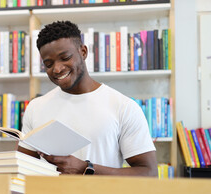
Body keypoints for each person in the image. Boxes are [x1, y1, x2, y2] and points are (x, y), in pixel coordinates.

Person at [17, 20, 157, 176]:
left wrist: (85, 168)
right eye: (49, 64)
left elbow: (149, 173)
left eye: (65, 58)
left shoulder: (123, 107)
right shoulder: (36, 107)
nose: (57, 69)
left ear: (83, 52)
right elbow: (23, 170)